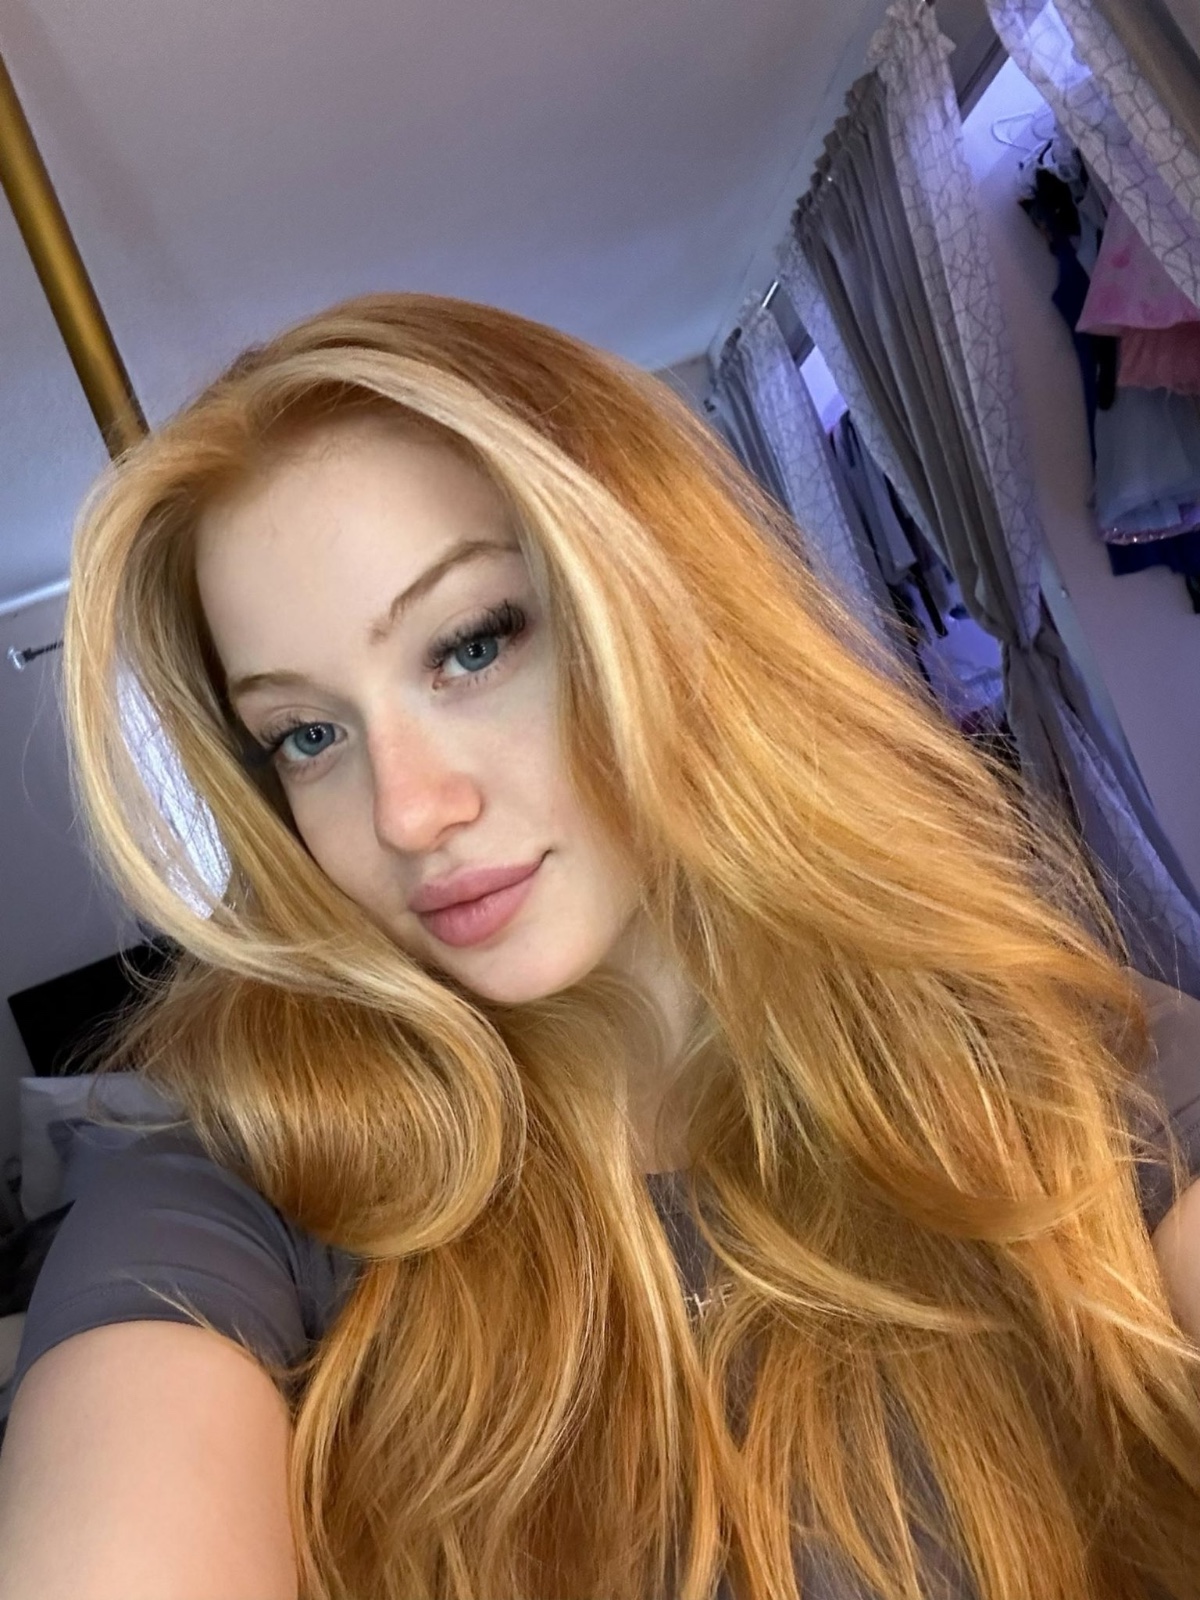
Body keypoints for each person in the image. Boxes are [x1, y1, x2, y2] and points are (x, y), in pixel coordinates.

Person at [0, 293, 1198, 1600]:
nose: (407, 813)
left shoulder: (1083, 1072)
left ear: (670, 600)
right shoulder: (243, 1198)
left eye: (472, 646)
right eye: (308, 735)